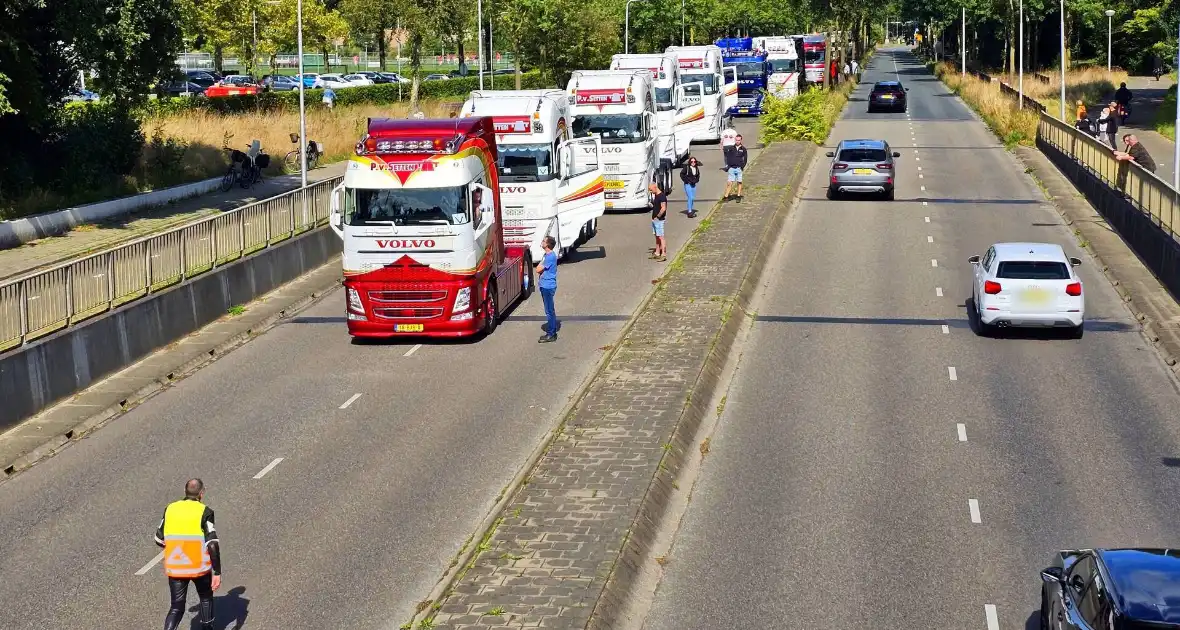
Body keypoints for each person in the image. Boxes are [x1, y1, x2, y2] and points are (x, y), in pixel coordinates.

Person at [156, 479, 221, 630]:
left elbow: (159, 539)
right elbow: (212, 543)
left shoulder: (170, 509)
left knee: (176, 607)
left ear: (184, 491)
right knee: (205, 598)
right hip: (199, 567)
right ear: (201, 493)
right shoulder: (205, 511)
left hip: (176, 566)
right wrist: (217, 572)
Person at [534, 235, 559, 343]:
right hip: (545, 285)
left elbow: (538, 269)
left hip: (548, 286)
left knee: (549, 311)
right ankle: (551, 332)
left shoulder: (550, 257)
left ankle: (551, 334)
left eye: (544, 241)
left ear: (548, 244)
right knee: (548, 310)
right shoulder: (547, 255)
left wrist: (540, 266)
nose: (542, 242)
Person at [723, 134, 748, 202]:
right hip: (731, 168)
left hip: (739, 168)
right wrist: (728, 166)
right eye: (736, 140)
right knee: (729, 183)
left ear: (741, 140)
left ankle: (738, 196)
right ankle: (726, 196)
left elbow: (745, 159)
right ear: (735, 140)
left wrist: (742, 166)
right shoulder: (731, 148)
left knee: (739, 182)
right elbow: (727, 157)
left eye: (739, 140)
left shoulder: (743, 149)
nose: (737, 141)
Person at [648, 182, 667, 262]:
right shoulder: (656, 195)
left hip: (659, 220)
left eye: (651, 190)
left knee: (661, 237)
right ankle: (657, 252)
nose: (651, 192)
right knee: (657, 236)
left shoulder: (662, 196)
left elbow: (663, 208)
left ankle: (663, 254)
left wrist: (658, 217)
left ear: (655, 187)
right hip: (655, 220)